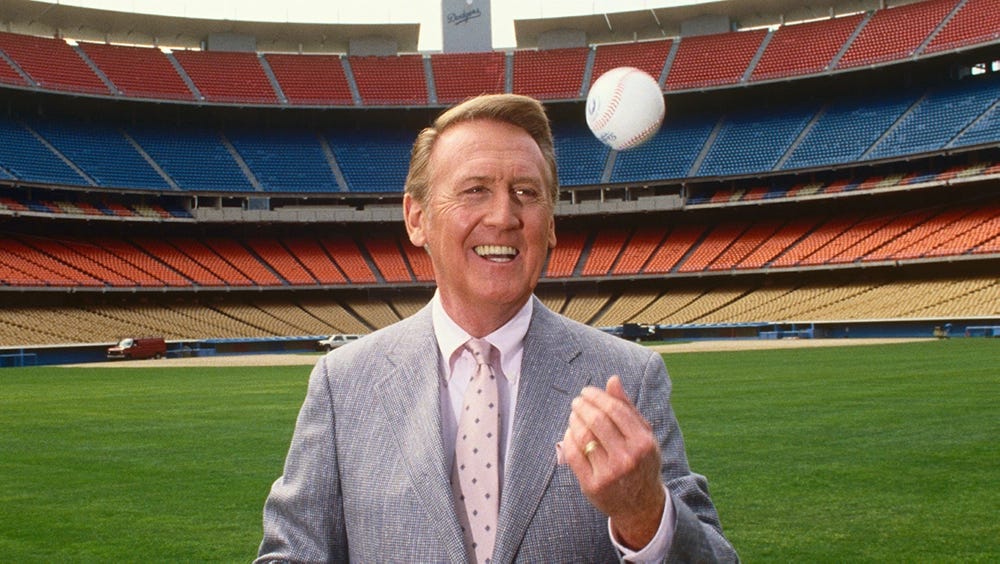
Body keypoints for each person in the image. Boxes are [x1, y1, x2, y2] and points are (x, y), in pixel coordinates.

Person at [256, 94, 737, 563]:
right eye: (474, 190)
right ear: (416, 218)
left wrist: (644, 515)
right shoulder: (343, 385)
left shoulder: (628, 377)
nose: (504, 217)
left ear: (549, 225)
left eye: (527, 193)